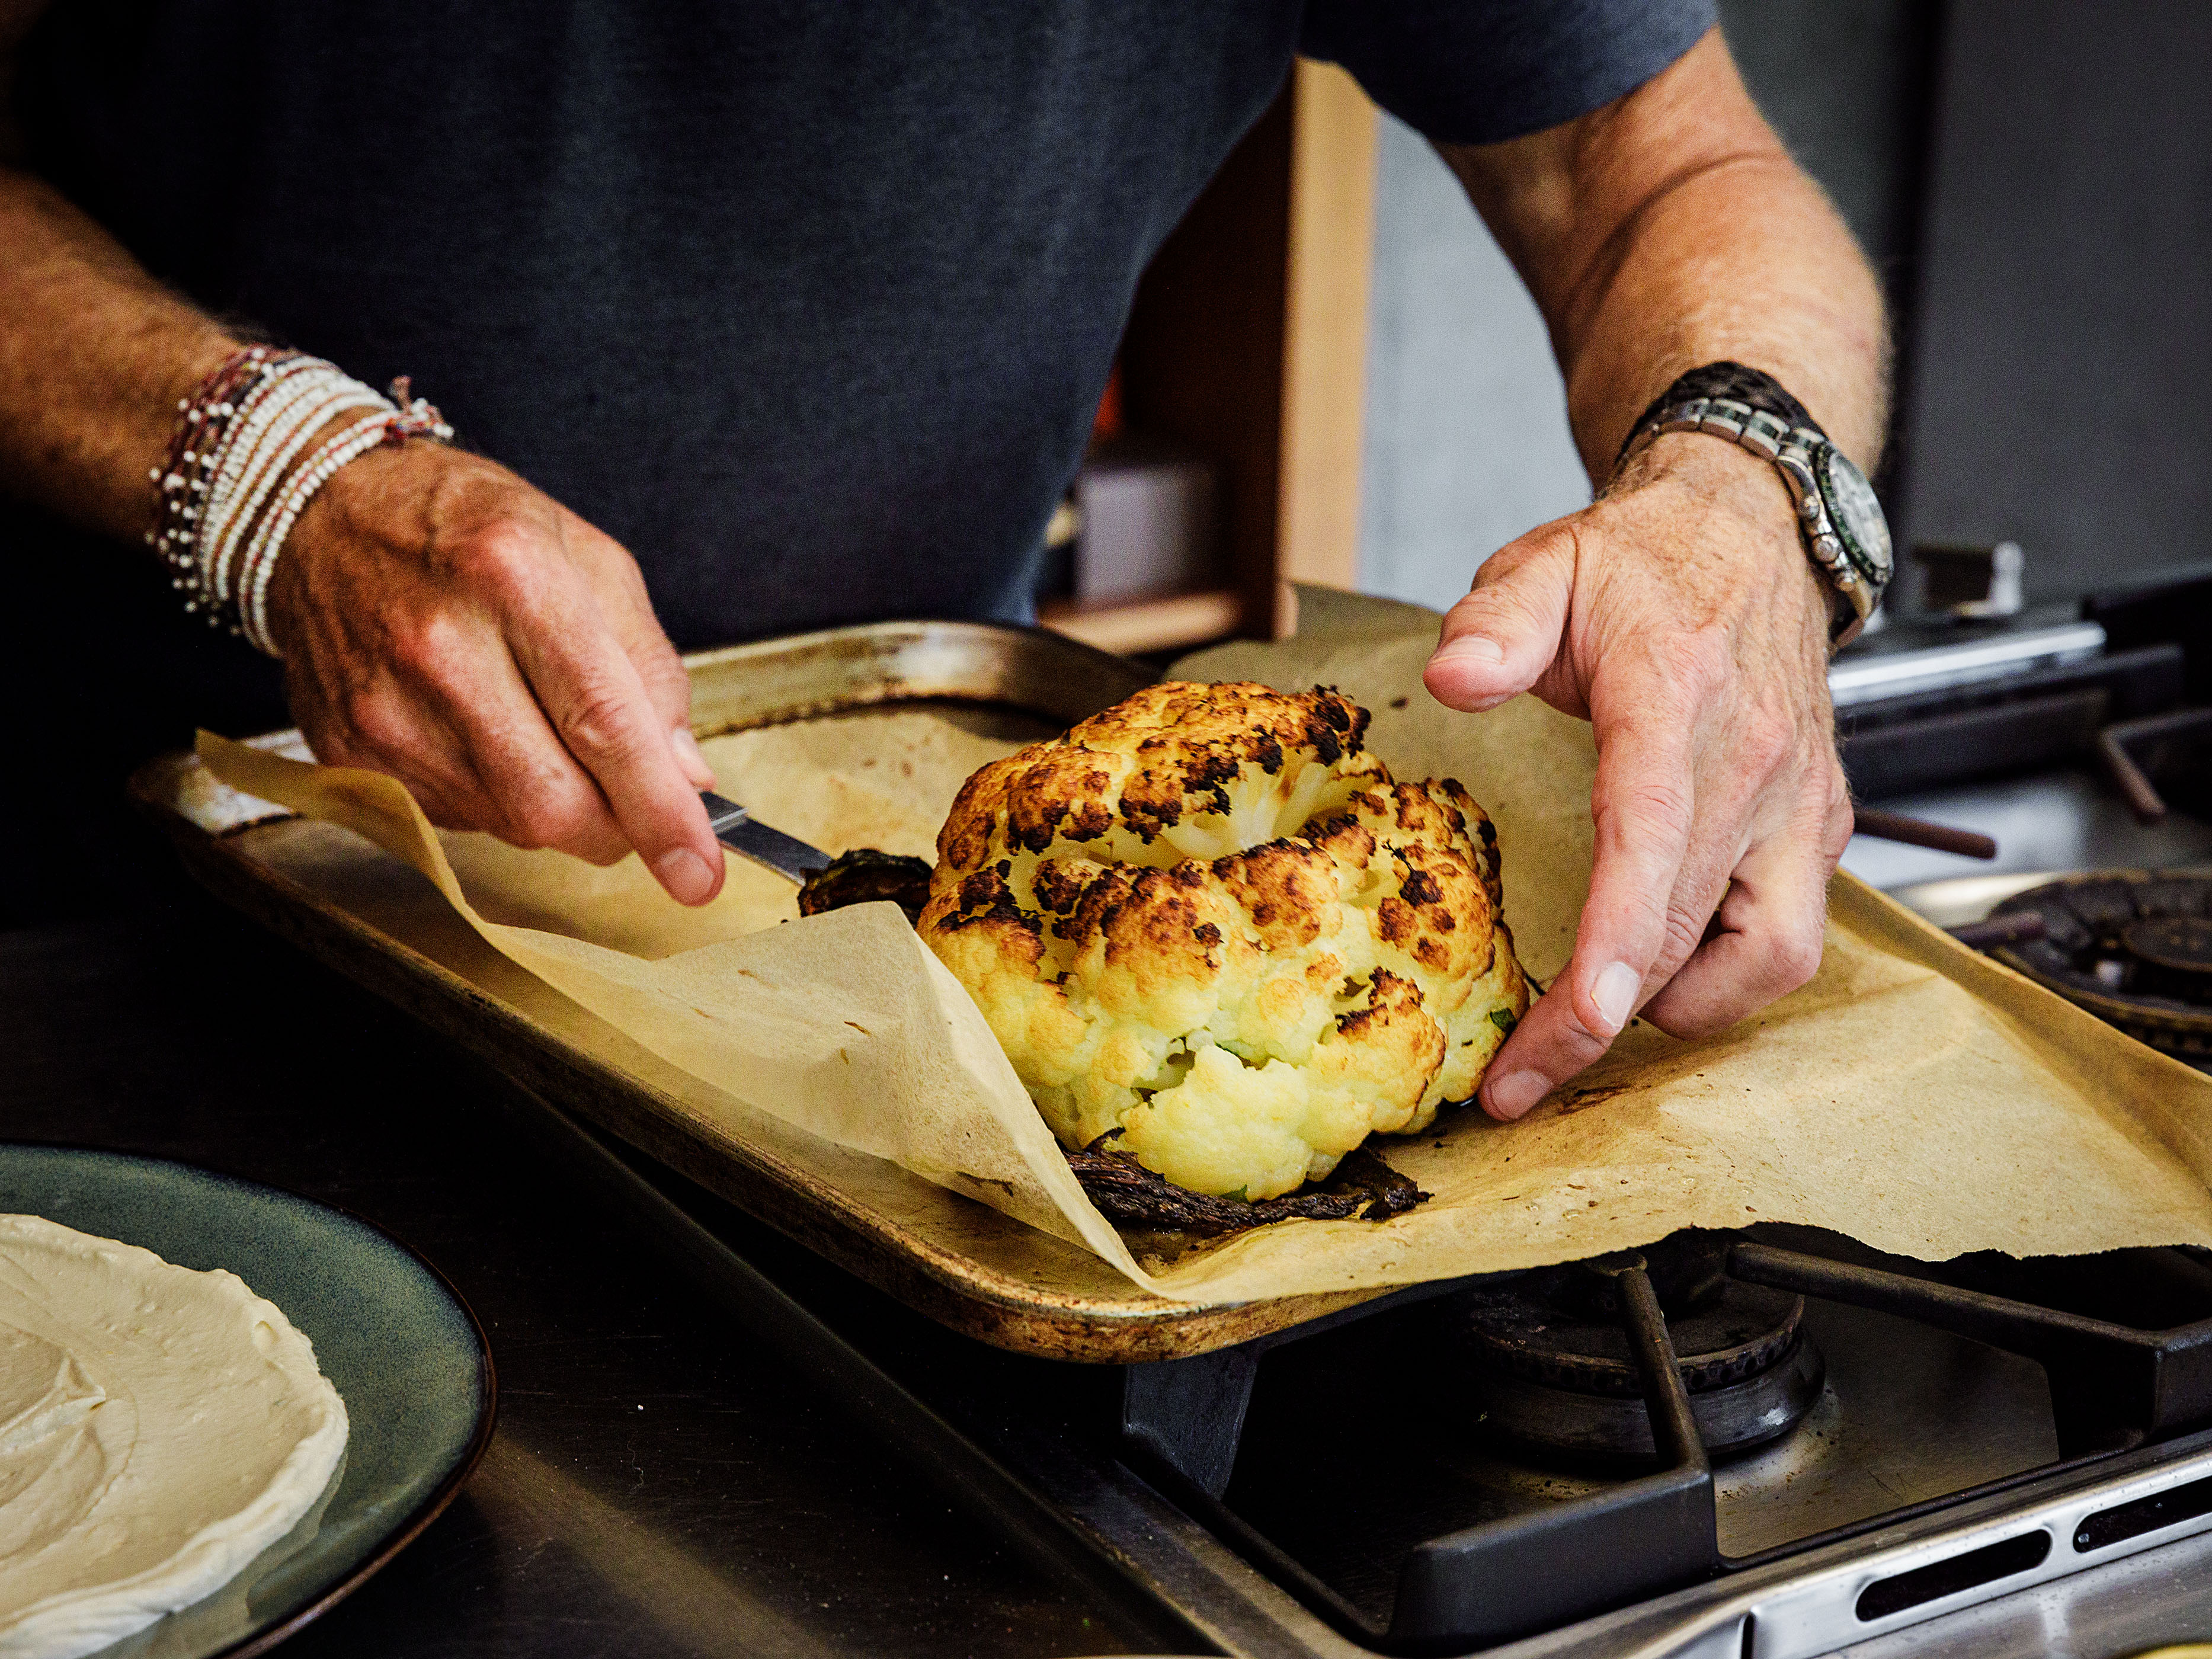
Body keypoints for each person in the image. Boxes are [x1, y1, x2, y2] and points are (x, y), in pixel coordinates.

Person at [0, 1, 1882, 1120]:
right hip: (118, 919)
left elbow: (1665, 172)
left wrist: (1745, 498)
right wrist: (259, 472)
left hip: (887, 952)